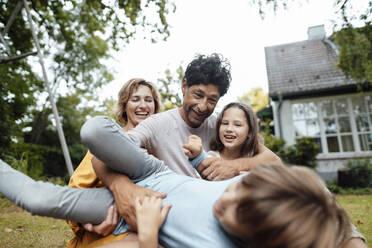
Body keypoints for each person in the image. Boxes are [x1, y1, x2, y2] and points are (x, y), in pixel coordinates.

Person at [0, 116, 363, 248]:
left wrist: (148, 233)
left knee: (37, 199)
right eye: (234, 190)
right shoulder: (264, 184)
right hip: (155, 173)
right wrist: (118, 178)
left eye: (234, 215)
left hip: (137, 213)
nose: (223, 201)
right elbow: (323, 202)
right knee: (94, 129)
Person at [95, 53, 282, 231]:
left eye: (212, 100)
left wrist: (233, 167)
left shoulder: (221, 126)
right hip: (174, 213)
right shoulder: (157, 124)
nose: (202, 106)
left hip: (213, 215)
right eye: (198, 95)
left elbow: (273, 160)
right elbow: (101, 155)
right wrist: (122, 189)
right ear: (184, 86)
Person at [66, 78, 163, 248]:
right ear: (124, 106)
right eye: (135, 99)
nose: (143, 105)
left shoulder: (159, 147)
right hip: (105, 235)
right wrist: (88, 224)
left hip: (149, 231)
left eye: (148, 100)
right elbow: (74, 194)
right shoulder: (108, 143)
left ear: (155, 107)